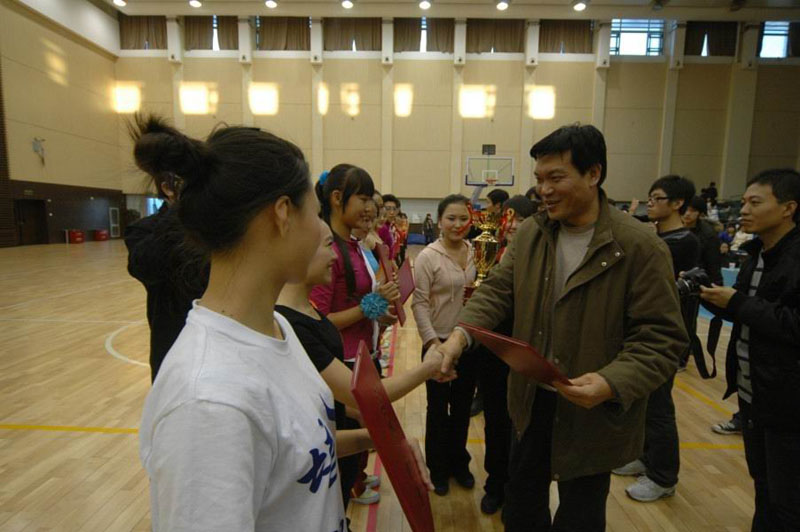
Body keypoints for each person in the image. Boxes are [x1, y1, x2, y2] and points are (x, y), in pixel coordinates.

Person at [433, 124, 686, 531]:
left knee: (581, 517)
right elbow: (497, 291)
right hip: (530, 402)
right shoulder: (532, 234)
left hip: (591, 409)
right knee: (522, 511)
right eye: (539, 179)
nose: (544, 190)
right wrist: (460, 336)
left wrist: (611, 382)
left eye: (556, 178)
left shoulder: (639, 246)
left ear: (593, 173)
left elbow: (662, 339)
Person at [134, 116, 346, 531]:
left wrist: (377, 441)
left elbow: (290, 459)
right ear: (283, 214)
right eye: (317, 213)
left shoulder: (277, 328)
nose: (323, 230)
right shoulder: (209, 402)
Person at [277, 219, 437, 512]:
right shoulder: (291, 323)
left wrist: (379, 432)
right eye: (328, 246)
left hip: (337, 417)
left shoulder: (310, 307)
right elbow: (363, 394)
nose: (334, 255)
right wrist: (430, 366)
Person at [700, 168, 800, 531]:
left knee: (789, 501)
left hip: (789, 403)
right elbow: (746, 313)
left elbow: (792, 324)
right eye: (743, 202)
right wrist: (708, 295)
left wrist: (737, 302)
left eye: (755, 202)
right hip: (754, 393)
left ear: (788, 208)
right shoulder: (757, 253)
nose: (743, 210)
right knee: (764, 487)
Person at [312, 165, 400, 505]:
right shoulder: (329, 252)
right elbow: (319, 322)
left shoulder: (351, 246)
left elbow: (357, 303)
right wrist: (371, 305)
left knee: (353, 455)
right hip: (343, 363)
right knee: (342, 464)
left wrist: (380, 315)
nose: (370, 207)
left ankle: (354, 485)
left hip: (363, 355)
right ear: (337, 199)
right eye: (363, 198)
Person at [613, 175, 699, 502]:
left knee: (659, 408)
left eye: (657, 198)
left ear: (677, 203)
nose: (650, 203)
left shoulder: (682, 242)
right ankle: (645, 457)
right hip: (641, 331)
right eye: (649, 198)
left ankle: (663, 476)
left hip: (664, 338)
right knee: (643, 403)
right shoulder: (658, 238)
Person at [472, 193, 535, 515]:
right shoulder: (488, 251)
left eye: (521, 220)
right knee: (496, 423)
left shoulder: (539, 259)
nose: (513, 226)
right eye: (509, 219)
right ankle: (495, 485)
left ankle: (518, 490)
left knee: (523, 427)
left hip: (526, 353)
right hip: (493, 352)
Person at [412, 194, 477, 497]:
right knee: (438, 409)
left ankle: (459, 463)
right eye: (451, 218)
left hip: (467, 344)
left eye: (463, 218)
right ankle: (437, 468)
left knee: (462, 408)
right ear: (439, 221)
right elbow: (419, 303)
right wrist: (433, 343)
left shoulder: (476, 251)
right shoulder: (428, 256)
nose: (457, 224)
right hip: (437, 342)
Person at [124, 170, 209, 382]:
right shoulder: (144, 229)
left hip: (221, 333)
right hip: (171, 336)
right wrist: (180, 211)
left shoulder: (214, 227)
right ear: (167, 188)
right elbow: (144, 268)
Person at [683, 195, 724, 286]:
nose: (687, 213)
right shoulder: (676, 229)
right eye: (685, 209)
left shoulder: (709, 235)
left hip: (699, 282)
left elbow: (714, 267)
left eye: (692, 210)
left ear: (700, 213)